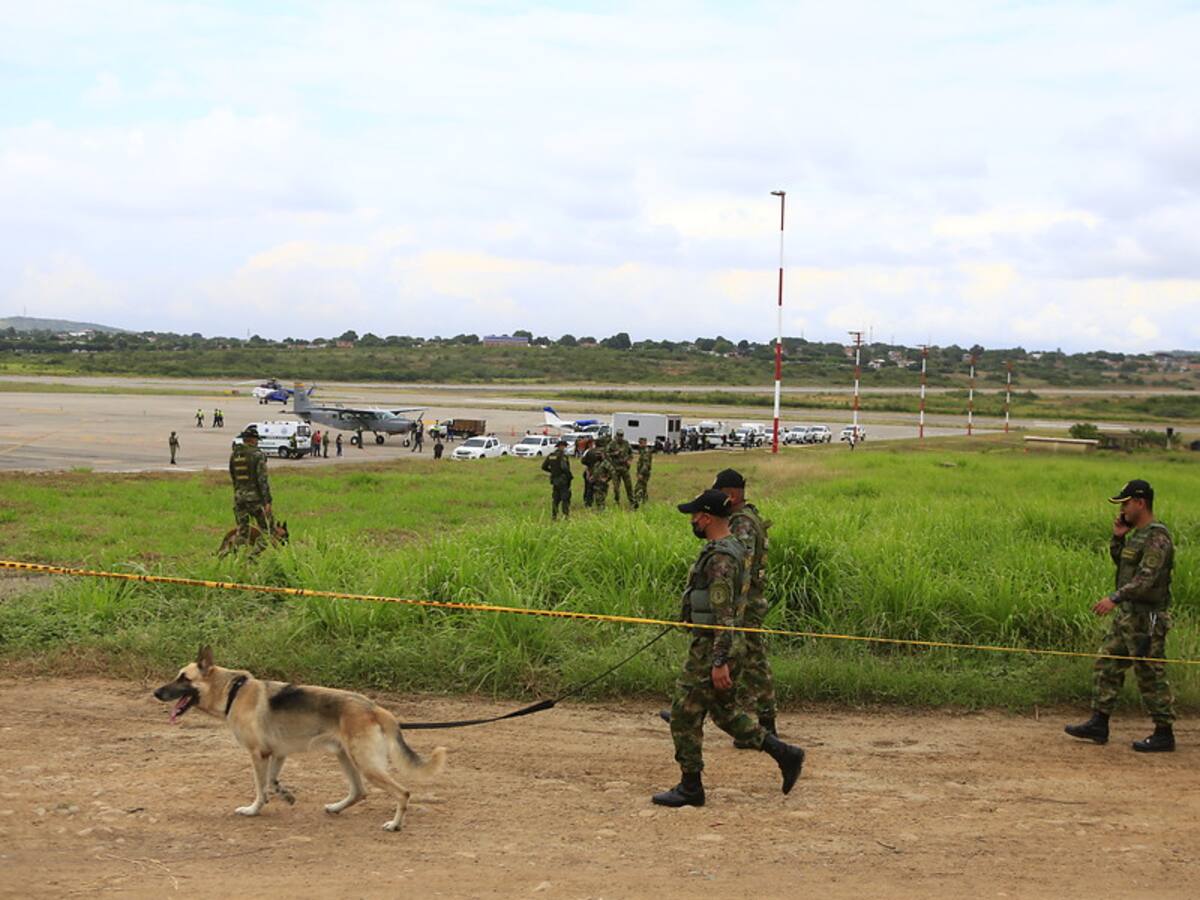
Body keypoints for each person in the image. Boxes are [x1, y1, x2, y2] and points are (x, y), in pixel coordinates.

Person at [652, 489, 805, 807]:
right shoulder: (730, 548)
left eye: (694, 515)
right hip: (718, 644)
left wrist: (719, 661)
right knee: (724, 713)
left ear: (706, 518)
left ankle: (690, 787)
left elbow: (723, 614)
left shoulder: (721, 559)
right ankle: (785, 753)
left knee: (683, 714)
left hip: (713, 647)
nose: (692, 520)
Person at [1065, 479, 1177, 752]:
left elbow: (1145, 580)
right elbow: (1124, 566)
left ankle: (1164, 733)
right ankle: (1099, 723)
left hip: (1147, 618)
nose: (1123, 509)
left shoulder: (1157, 538)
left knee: (1150, 673)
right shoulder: (1137, 535)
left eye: (1126, 503)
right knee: (1108, 664)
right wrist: (1118, 537)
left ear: (1140, 503)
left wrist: (1114, 599)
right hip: (1128, 616)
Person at [713, 468, 777, 745]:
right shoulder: (746, 516)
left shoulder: (741, 522)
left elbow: (742, 566)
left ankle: (765, 725)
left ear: (733, 494)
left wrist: (734, 608)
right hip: (747, 602)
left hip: (745, 604)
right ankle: (695, 709)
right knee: (739, 659)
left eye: (721, 493)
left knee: (749, 660)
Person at [229, 425, 272, 550]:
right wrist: (267, 501)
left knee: (242, 532)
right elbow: (262, 480)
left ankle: (230, 556)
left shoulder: (235, 455)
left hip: (239, 499)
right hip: (255, 500)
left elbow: (233, 477)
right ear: (253, 440)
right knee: (267, 531)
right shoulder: (257, 455)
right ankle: (253, 557)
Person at [541, 439, 573, 520]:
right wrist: (570, 477)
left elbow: (544, 467)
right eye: (564, 446)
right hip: (563, 480)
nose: (564, 448)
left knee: (556, 498)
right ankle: (566, 516)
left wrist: (552, 471)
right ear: (561, 446)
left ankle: (554, 516)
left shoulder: (551, 455)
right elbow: (565, 468)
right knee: (565, 498)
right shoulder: (562, 456)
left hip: (555, 480)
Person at [606, 429, 635, 508]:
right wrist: (614, 454)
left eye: (621, 436)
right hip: (615, 468)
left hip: (625, 468)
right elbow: (606, 454)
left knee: (629, 486)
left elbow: (631, 453)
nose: (620, 437)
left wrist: (629, 460)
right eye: (619, 435)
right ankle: (616, 501)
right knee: (616, 487)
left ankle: (632, 502)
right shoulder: (612, 444)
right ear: (616, 435)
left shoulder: (626, 443)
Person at [584, 436, 610, 511]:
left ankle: (588, 504)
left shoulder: (590, 451)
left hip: (591, 473)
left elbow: (584, 461)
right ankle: (601, 504)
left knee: (590, 489)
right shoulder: (606, 452)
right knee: (602, 490)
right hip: (602, 474)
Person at [578, 437, 597, 507]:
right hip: (588, 472)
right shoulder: (588, 452)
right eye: (592, 443)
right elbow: (585, 463)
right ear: (589, 444)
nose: (593, 444)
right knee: (589, 488)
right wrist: (588, 472)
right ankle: (587, 502)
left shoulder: (590, 451)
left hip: (591, 471)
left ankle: (588, 501)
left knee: (590, 487)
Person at [634, 437, 653, 506]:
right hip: (643, 473)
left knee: (638, 488)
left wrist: (641, 474)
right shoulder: (643, 451)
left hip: (644, 473)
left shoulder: (646, 451)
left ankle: (636, 504)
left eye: (641, 443)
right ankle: (645, 502)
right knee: (644, 488)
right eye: (639, 443)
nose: (640, 445)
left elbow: (646, 464)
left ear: (645, 443)